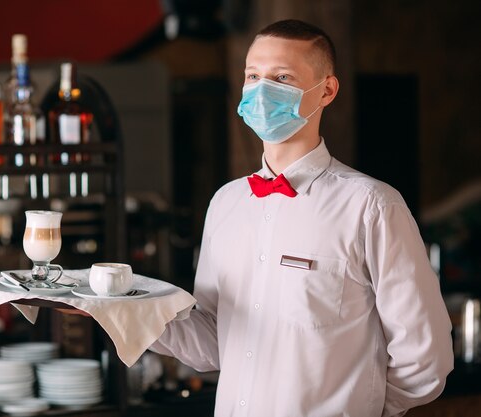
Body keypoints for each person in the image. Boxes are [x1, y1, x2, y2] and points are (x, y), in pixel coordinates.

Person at [150, 19, 454, 416]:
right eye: (253, 76)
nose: (261, 91)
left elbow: (425, 356)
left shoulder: (372, 206)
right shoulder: (226, 203)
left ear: (326, 90)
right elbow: (214, 342)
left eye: (282, 77)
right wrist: (129, 314)